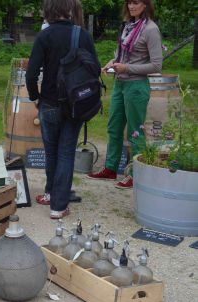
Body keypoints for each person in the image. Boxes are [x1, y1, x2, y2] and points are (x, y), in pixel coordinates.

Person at [26, 0, 99, 219]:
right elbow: (94, 69)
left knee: (51, 151)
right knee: (66, 152)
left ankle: (50, 193)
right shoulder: (83, 35)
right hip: (76, 103)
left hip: (48, 103)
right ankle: (58, 206)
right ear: (69, 9)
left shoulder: (44, 36)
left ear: (48, 11)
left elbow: (31, 75)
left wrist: (35, 98)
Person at [87, 0, 162, 188]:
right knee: (114, 127)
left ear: (145, 5)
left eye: (135, 2)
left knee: (135, 132)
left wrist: (126, 67)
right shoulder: (129, 26)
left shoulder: (151, 29)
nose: (131, 6)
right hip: (120, 84)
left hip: (136, 86)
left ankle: (137, 175)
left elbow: (156, 65)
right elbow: (122, 56)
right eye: (129, 2)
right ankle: (111, 169)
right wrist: (112, 63)